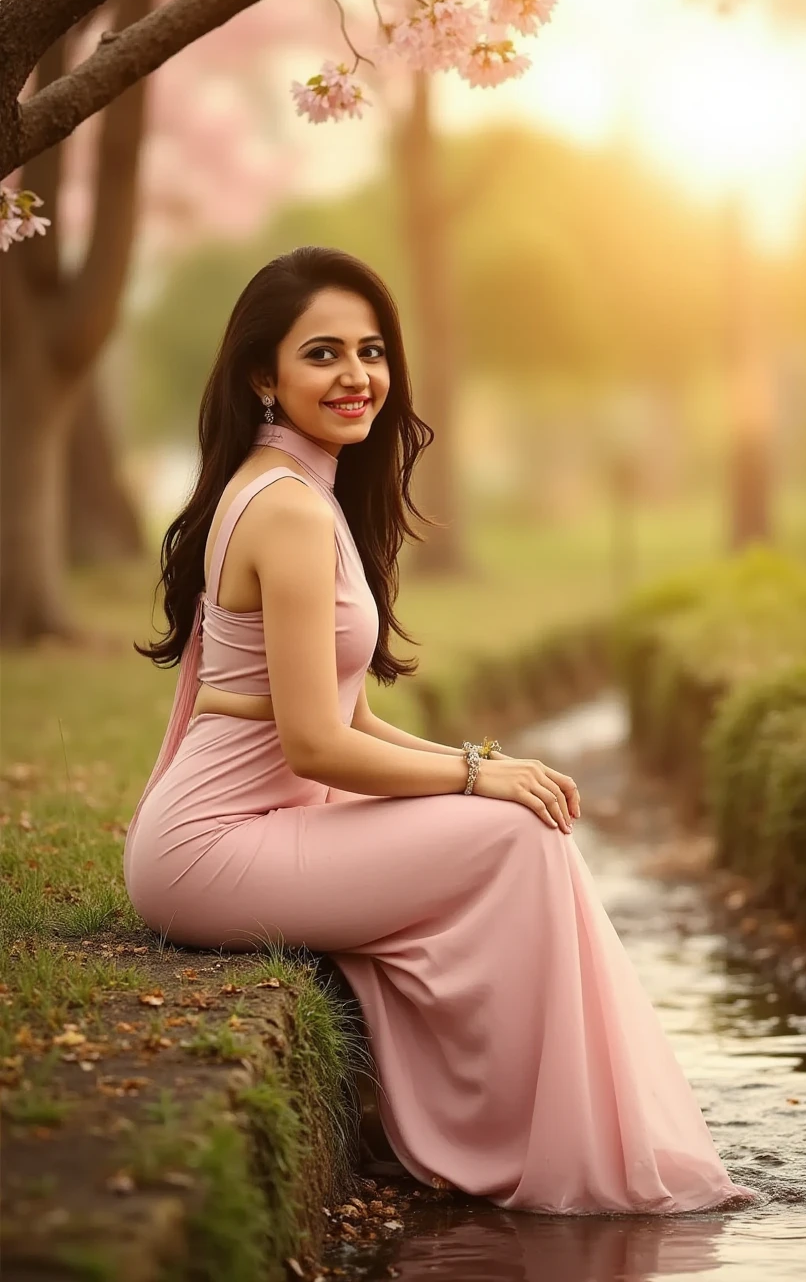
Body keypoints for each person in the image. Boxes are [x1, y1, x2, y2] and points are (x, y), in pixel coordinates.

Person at [124, 245, 758, 1217]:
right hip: (214, 850)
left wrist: (496, 765)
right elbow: (316, 747)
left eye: (371, 351)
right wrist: (473, 778)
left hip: (253, 830)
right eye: (323, 354)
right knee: (515, 838)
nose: (356, 377)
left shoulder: (303, 490)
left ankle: (534, 1120)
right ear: (265, 375)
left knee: (523, 819)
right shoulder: (287, 509)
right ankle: (539, 1137)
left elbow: (356, 715)